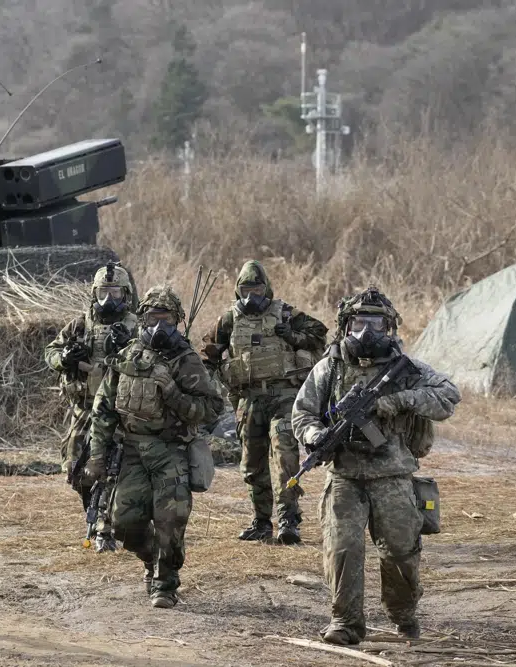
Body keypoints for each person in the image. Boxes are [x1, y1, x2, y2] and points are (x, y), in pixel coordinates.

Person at [292, 287, 460, 645]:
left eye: (376, 324)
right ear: (344, 326)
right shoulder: (331, 367)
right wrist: (315, 435)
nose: (367, 333)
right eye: (358, 323)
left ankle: (403, 614)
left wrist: (400, 400)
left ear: (390, 328)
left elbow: (448, 396)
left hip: (393, 475)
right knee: (342, 549)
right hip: (344, 476)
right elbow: (302, 413)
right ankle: (346, 622)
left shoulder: (407, 369)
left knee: (401, 552)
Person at [85, 285, 223, 608]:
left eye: (167, 321)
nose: (158, 328)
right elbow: (103, 408)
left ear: (177, 321)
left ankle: (165, 583)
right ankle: (151, 559)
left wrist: (174, 393)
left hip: (170, 450)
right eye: (152, 319)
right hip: (133, 450)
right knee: (123, 523)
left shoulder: (186, 361)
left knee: (170, 520)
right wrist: (96, 456)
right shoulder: (127, 357)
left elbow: (212, 409)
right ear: (142, 318)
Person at [200, 260, 327, 544]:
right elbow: (207, 353)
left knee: (285, 457)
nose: (251, 297)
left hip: (284, 397)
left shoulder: (284, 313)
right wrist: (208, 383)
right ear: (237, 291)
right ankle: (261, 521)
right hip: (249, 400)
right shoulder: (229, 319)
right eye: (245, 290)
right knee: (252, 464)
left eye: (256, 290)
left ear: (266, 289)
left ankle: (288, 520)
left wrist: (292, 336)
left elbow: (319, 333)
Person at [43, 262, 139, 551]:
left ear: (126, 295)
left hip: (121, 410)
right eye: (102, 293)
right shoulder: (80, 325)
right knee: (75, 469)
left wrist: (128, 349)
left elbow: (155, 359)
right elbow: (51, 353)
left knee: (114, 470)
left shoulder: (136, 325)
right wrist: (67, 358)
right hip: (84, 410)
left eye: (114, 293)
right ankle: (94, 512)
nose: (108, 300)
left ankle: (106, 529)